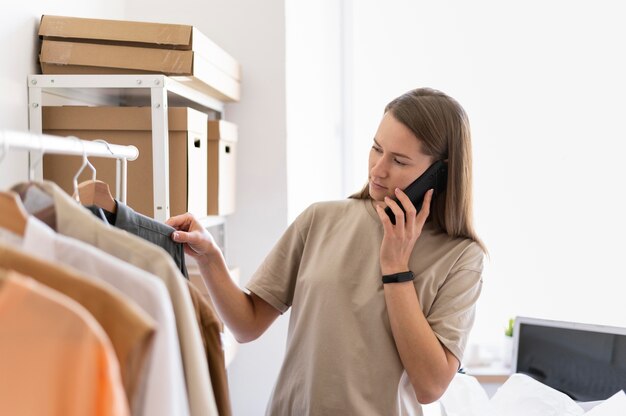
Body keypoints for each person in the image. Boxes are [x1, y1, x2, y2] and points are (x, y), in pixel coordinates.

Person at [167, 87, 486, 415]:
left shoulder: (462, 257)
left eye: (399, 161)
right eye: (376, 149)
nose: (378, 170)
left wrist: (396, 267)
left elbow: (430, 386)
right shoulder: (320, 219)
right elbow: (247, 325)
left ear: (440, 172)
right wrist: (210, 257)